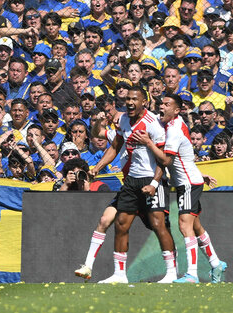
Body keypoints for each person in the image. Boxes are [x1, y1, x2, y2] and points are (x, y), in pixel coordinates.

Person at [132, 94, 227, 283]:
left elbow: (167, 160)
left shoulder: (174, 129)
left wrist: (148, 143)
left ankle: (192, 273)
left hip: (187, 184)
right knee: (196, 226)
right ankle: (216, 263)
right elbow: (186, 157)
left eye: (167, 105)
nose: (162, 107)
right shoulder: (173, 122)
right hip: (191, 179)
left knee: (185, 225)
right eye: (161, 104)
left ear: (177, 110)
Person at [87, 86, 176, 284]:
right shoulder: (124, 120)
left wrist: (154, 182)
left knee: (158, 225)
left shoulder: (153, 124)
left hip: (152, 179)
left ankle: (171, 273)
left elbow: (163, 159)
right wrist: (98, 167)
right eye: (127, 99)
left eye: (134, 99)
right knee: (120, 224)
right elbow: (116, 146)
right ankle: (119, 275)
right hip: (131, 181)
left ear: (144, 102)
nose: (130, 102)